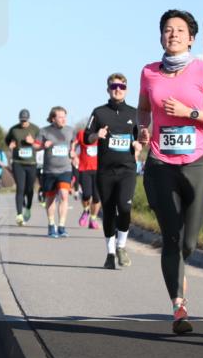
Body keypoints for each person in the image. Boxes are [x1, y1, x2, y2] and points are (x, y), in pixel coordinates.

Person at [138, 10, 203, 334]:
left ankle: (181, 266)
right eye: (167, 29)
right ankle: (179, 306)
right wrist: (143, 129)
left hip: (197, 163)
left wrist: (190, 112)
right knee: (172, 237)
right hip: (160, 163)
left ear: (191, 38)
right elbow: (143, 109)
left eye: (180, 30)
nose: (173, 34)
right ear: (160, 37)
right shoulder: (149, 73)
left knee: (188, 242)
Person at [85, 73, 142, 269]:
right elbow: (86, 137)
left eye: (122, 86)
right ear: (108, 89)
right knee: (108, 211)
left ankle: (121, 246)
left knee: (125, 207)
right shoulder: (99, 112)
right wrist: (96, 135)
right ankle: (110, 253)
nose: (118, 89)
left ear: (126, 89)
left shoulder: (134, 113)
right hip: (105, 171)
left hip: (127, 169)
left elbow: (141, 138)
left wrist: (139, 144)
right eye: (114, 86)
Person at [38, 107, 76, 238]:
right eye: (60, 117)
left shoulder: (70, 130)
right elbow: (35, 146)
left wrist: (73, 151)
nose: (63, 119)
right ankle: (51, 225)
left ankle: (61, 226)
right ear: (53, 118)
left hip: (65, 169)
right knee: (50, 198)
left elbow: (74, 142)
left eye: (64, 116)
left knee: (64, 195)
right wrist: (43, 145)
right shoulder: (44, 131)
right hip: (49, 171)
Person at [5, 109, 40, 226]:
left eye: (25, 121)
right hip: (18, 163)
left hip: (31, 163)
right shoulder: (14, 129)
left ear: (28, 119)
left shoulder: (35, 129)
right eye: (21, 120)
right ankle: (19, 215)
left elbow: (40, 144)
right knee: (20, 188)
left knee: (29, 189)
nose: (23, 123)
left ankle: (28, 208)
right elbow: (7, 141)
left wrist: (32, 141)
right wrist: (10, 145)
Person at [72, 129, 101, 230]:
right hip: (84, 169)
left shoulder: (102, 134)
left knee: (97, 197)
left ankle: (93, 219)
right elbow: (74, 144)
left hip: (99, 170)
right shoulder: (81, 133)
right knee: (86, 194)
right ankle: (86, 210)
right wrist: (73, 154)